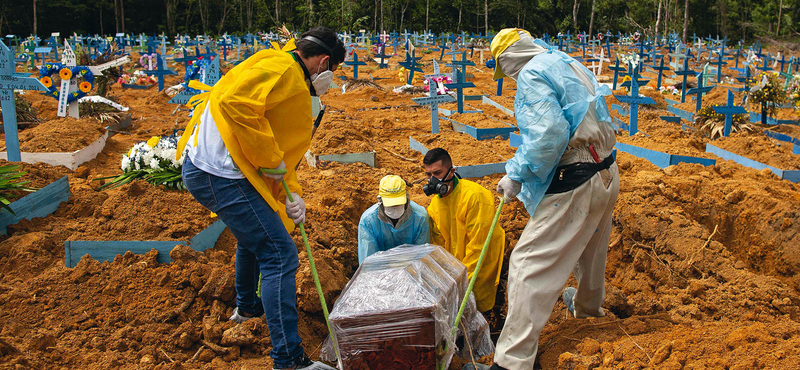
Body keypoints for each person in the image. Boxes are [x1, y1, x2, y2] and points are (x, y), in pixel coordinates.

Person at [177, 27, 345, 370]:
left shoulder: (280, 65)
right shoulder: (285, 71)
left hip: (225, 168)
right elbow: (235, 103)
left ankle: (248, 309)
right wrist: (271, 163)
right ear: (324, 62)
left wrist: (291, 193)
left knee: (256, 235)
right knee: (280, 255)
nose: (329, 79)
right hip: (220, 173)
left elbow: (279, 145)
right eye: (333, 71)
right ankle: (288, 359)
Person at [466, 29, 620, 370]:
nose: (507, 76)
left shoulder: (533, 73)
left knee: (527, 266)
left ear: (508, 59)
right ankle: (589, 316)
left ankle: (512, 361)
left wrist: (517, 174)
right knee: (590, 252)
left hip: (577, 176)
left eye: (503, 69)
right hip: (606, 169)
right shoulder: (565, 62)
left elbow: (548, 135)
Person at [423, 148, 505, 312]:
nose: (433, 180)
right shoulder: (435, 206)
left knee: (479, 308)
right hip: (457, 269)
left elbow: (479, 247)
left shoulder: (475, 197)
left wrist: (460, 282)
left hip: (480, 266)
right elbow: (437, 246)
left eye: (438, 173)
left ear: (451, 171)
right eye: (429, 175)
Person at [357, 175, 431, 263]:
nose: (395, 208)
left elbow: (420, 256)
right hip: (380, 270)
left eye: (398, 204)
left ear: (407, 198)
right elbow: (368, 261)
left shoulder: (420, 218)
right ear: (380, 200)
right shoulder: (368, 222)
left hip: (410, 268)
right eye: (391, 205)